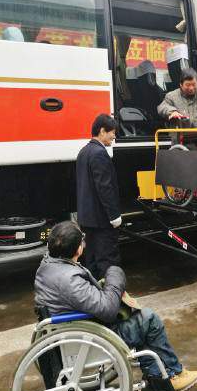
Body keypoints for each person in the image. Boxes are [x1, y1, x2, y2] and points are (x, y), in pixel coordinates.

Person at [34, 221, 197, 391]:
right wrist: (115, 276)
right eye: (82, 239)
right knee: (149, 319)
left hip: (70, 331)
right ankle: (174, 373)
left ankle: (157, 375)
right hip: (88, 337)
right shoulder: (69, 280)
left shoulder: (47, 266)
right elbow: (108, 310)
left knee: (139, 320)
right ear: (78, 249)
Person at [76, 114, 122, 279]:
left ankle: (94, 290)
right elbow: (105, 188)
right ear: (102, 131)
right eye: (112, 132)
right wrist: (114, 216)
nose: (114, 136)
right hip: (102, 220)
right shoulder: (99, 153)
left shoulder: (84, 151)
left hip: (87, 219)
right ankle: (110, 291)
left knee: (91, 260)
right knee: (107, 261)